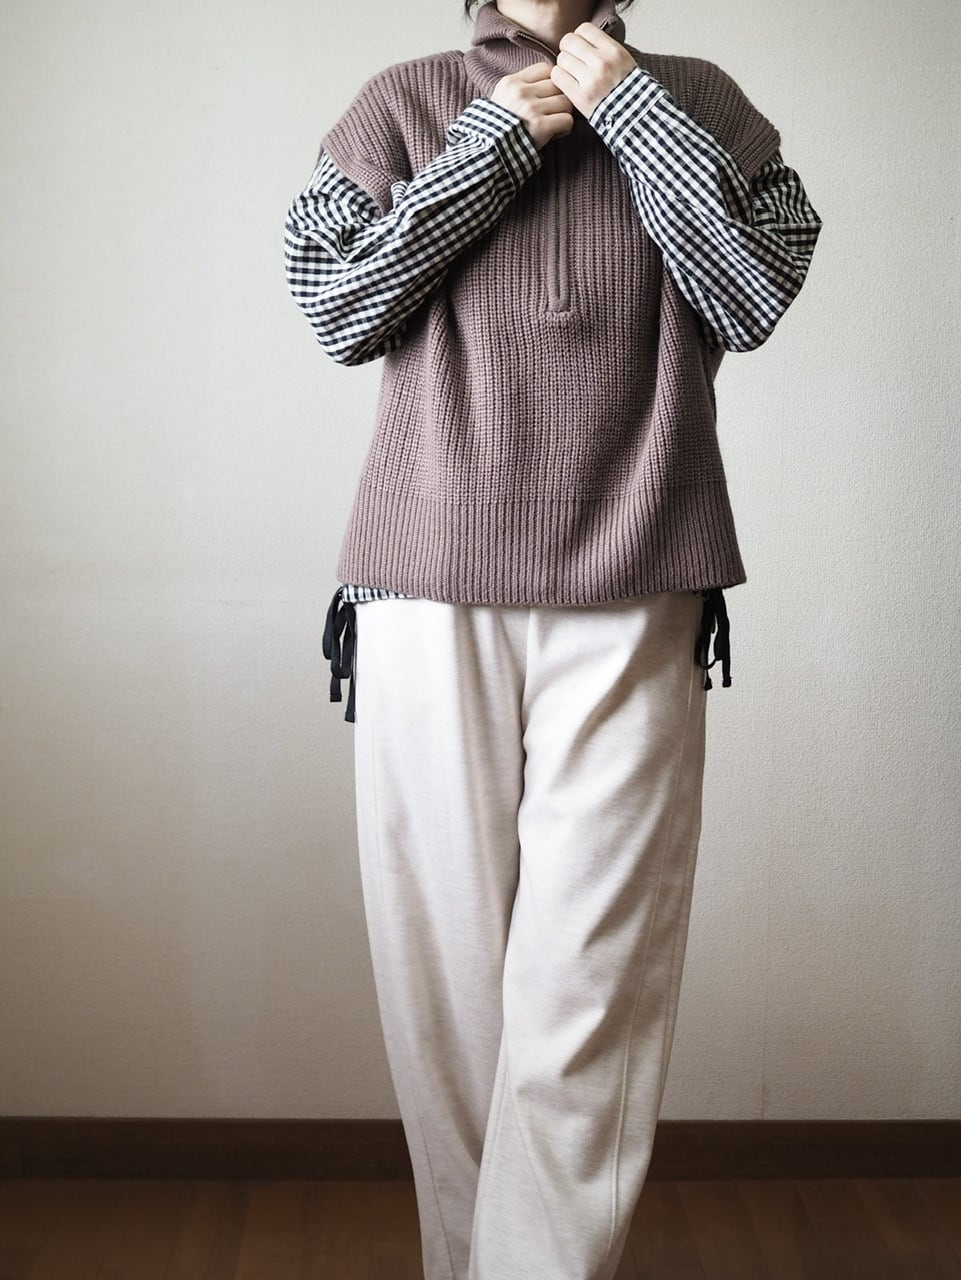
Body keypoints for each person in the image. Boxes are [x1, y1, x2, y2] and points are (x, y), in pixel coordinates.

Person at [284, 0, 822, 1275]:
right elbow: (337, 305)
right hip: (425, 586)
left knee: (591, 986)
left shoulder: (701, 101)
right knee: (449, 987)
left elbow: (751, 295)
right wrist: (488, 146)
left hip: (640, 577)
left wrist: (634, 111)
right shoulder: (400, 101)